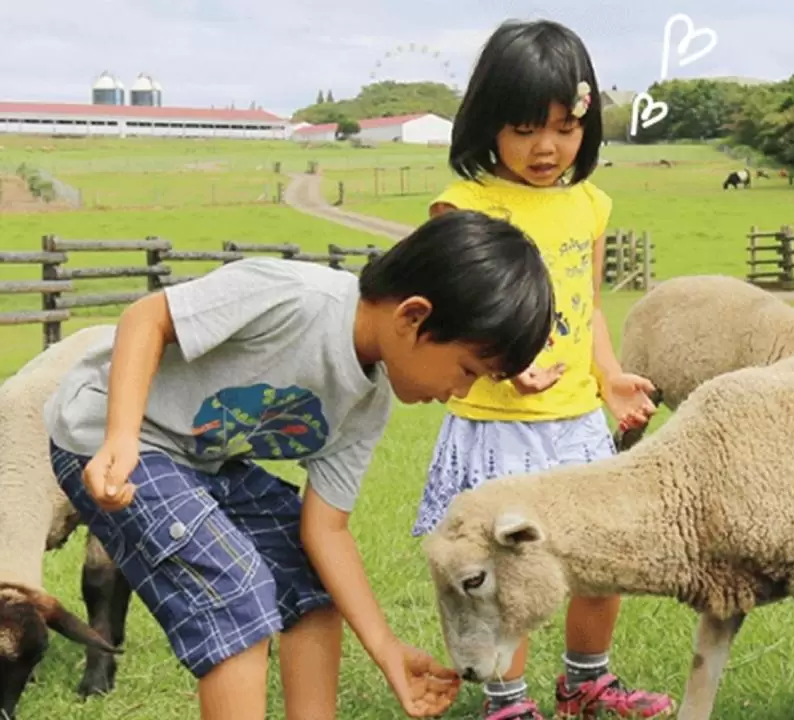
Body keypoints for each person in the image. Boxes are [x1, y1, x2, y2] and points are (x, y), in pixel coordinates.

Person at [43, 209, 556, 720]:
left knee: (311, 575)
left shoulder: (367, 403)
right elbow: (146, 318)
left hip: (198, 460)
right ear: (413, 317)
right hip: (104, 437)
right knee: (233, 585)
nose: (458, 392)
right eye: (468, 370)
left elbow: (325, 532)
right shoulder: (292, 297)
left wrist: (387, 649)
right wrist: (121, 437)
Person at [411, 18, 675, 720]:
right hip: (501, 424)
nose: (547, 147)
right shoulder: (466, 207)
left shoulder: (589, 205)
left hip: (576, 423)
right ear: (488, 124)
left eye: (564, 127)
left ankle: (586, 681)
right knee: (506, 573)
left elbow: (586, 306)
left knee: (604, 559)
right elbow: (453, 318)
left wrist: (611, 375)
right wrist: (504, 366)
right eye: (526, 128)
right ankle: (506, 700)